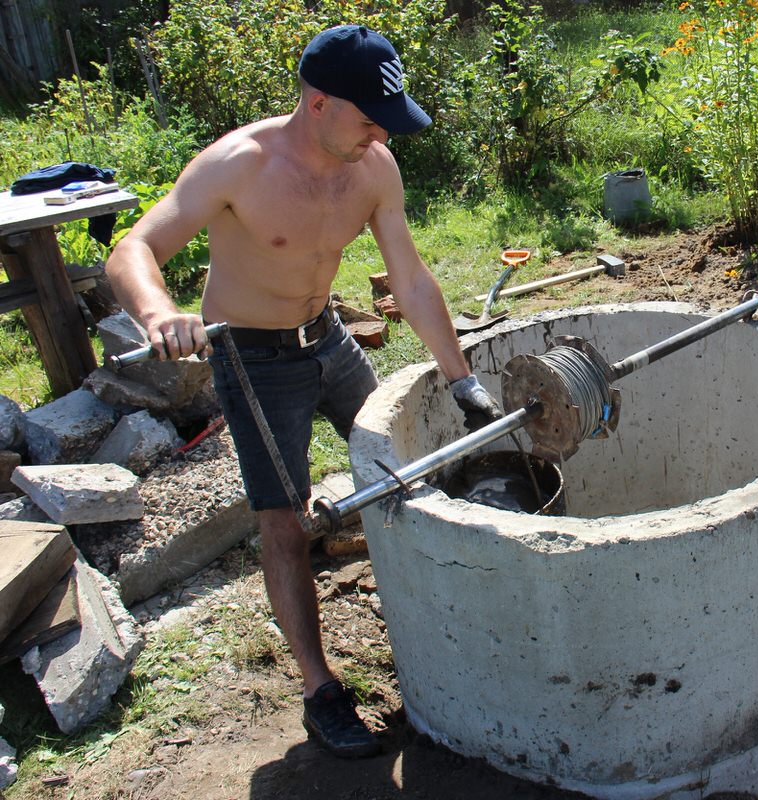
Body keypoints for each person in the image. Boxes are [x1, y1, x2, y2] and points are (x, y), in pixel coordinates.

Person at [106, 24, 503, 759]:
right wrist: (160, 314)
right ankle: (321, 691)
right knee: (283, 523)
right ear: (318, 104)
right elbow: (132, 248)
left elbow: (411, 280)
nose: (379, 134)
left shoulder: (373, 166)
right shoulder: (238, 165)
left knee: (403, 466)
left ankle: (439, 615)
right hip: (252, 361)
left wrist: (463, 379)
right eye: (366, 119)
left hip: (328, 340)